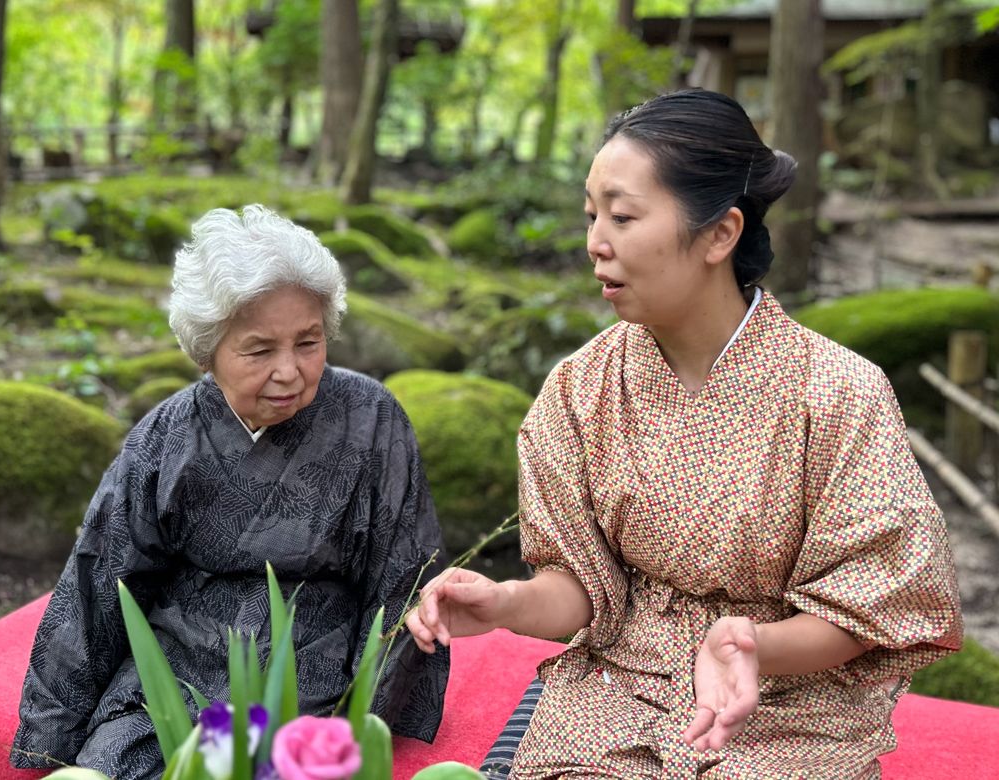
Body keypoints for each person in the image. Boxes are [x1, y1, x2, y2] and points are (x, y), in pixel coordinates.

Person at [407, 90, 963, 779]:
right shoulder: (582, 387)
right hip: (619, 687)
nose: (595, 243)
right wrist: (506, 603)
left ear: (720, 233)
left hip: (785, 704)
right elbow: (583, 587)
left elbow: (875, 596)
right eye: (591, 215)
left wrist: (754, 646)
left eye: (624, 215)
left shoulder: (839, 391)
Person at [12, 205, 449, 778]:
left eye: (309, 342)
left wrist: (368, 719)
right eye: (260, 350)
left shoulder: (373, 421)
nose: (290, 371)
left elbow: (403, 580)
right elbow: (100, 582)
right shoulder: (167, 437)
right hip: (178, 670)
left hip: (309, 668)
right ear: (207, 351)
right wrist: (51, 735)